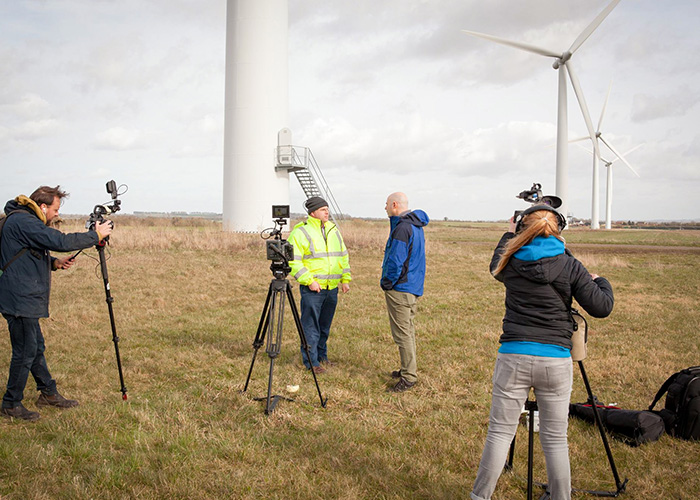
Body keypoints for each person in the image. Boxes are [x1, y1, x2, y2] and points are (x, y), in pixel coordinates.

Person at [470, 205, 614, 500]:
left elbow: (495, 262)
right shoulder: (569, 265)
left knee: (499, 433)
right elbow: (602, 307)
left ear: (522, 227)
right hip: (555, 359)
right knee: (555, 439)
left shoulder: (509, 262)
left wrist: (510, 232)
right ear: (559, 230)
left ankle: (480, 496)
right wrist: (599, 280)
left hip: (513, 355)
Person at [0, 186, 113, 421]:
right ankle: (11, 404)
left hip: (20, 295)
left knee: (35, 347)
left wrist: (53, 263)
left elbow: (25, 250)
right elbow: (58, 240)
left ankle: (48, 393)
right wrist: (96, 235)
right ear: (43, 207)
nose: (57, 214)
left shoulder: (21, 220)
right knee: (25, 351)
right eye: (56, 209)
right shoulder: (25, 221)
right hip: (20, 298)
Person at [288, 197, 351, 374]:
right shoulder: (301, 232)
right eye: (323, 209)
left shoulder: (333, 230)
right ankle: (312, 362)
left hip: (331, 288)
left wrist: (345, 279)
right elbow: (294, 261)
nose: (327, 212)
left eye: (327, 209)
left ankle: (322, 356)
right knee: (310, 326)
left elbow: (342, 255)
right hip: (313, 289)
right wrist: (310, 281)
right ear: (312, 212)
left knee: (324, 325)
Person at [381, 192, 429, 392]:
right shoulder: (415, 226)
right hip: (412, 286)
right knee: (407, 330)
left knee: (402, 334)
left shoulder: (402, 228)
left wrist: (387, 282)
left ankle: (409, 377)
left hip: (400, 288)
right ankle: (406, 369)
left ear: (394, 204)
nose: (384, 208)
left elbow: (396, 261)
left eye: (386, 205)